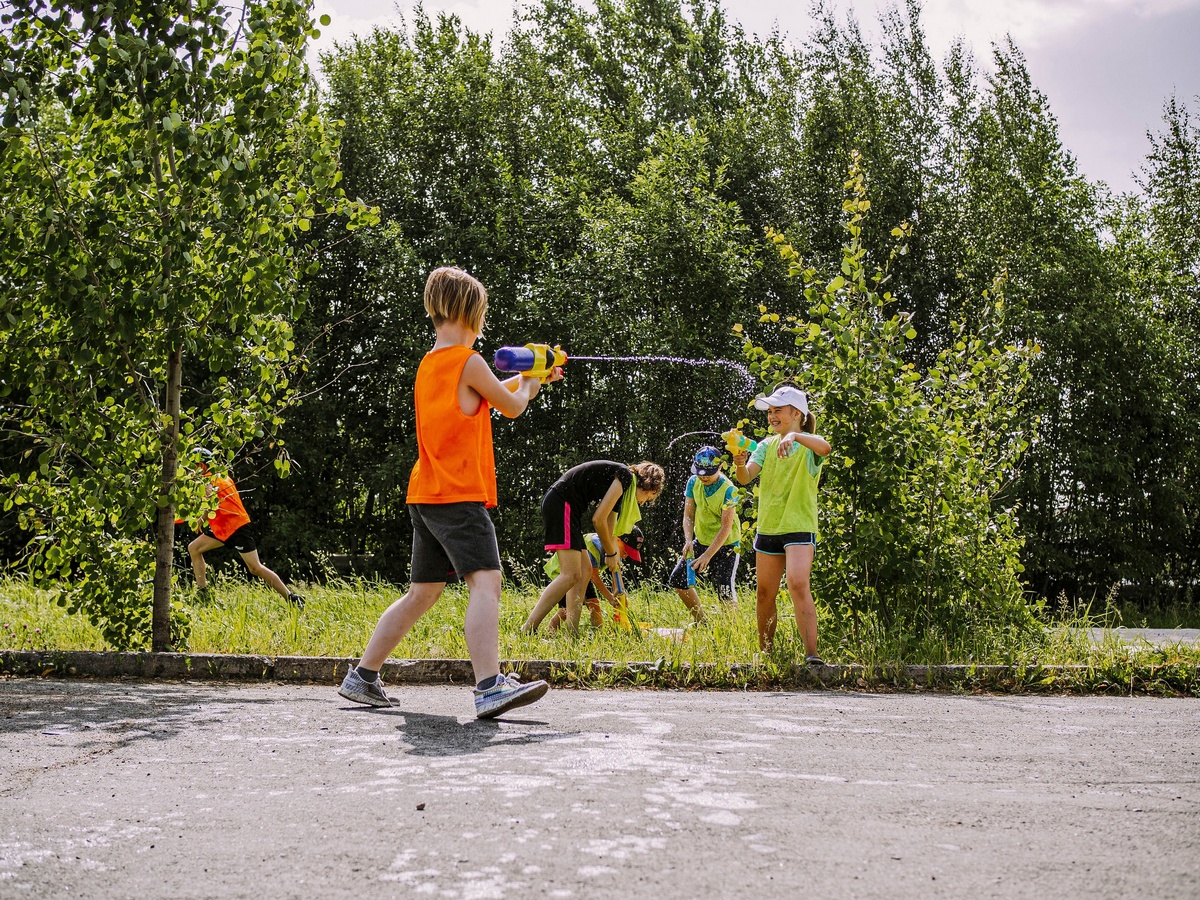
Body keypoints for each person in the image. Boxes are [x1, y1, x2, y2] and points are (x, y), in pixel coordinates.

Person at [338, 266, 561, 718]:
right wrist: (536, 378)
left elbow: (487, 395)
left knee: (422, 592)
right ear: (471, 313)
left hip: (426, 492)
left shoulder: (431, 363)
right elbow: (513, 406)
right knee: (487, 582)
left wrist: (533, 375)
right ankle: (489, 686)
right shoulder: (469, 361)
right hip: (457, 494)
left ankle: (362, 676)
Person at [732, 384, 831, 663]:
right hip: (769, 528)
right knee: (764, 593)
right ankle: (766, 655)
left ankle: (812, 656)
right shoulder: (765, 445)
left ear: (797, 413)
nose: (771, 416)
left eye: (778, 410)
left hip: (799, 526)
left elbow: (825, 447)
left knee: (798, 584)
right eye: (770, 411)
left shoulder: (808, 442)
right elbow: (745, 477)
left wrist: (796, 436)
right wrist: (740, 463)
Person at [522, 460, 665, 634]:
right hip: (561, 503)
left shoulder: (622, 491)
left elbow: (610, 530)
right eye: (648, 497)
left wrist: (615, 567)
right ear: (648, 485)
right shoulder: (626, 477)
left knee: (584, 570)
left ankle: (571, 633)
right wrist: (611, 553)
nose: (643, 503)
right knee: (570, 575)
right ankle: (528, 629)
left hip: (569, 509)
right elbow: (598, 520)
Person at [183, 450, 305, 609]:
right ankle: (203, 592)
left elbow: (211, 502)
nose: (191, 471)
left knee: (255, 568)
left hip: (237, 527)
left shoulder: (209, 480)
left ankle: (292, 598)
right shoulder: (223, 477)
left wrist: (200, 520)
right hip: (224, 528)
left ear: (202, 465)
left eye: (193, 467)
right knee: (194, 548)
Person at [667, 446, 742, 623]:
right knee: (678, 578)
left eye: (708, 472)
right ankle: (702, 622)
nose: (704, 476)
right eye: (700, 472)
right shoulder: (693, 482)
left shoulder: (730, 490)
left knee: (724, 587)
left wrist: (707, 556)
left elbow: (725, 528)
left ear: (720, 467)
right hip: (701, 539)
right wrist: (688, 540)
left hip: (728, 544)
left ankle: (733, 628)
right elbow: (688, 515)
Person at [544, 527, 644, 633]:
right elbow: (594, 576)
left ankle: (598, 633)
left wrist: (620, 596)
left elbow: (617, 576)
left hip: (582, 573)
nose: (626, 555)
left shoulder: (615, 551)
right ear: (618, 541)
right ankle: (550, 630)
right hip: (566, 571)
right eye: (626, 550)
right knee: (566, 610)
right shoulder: (594, 545)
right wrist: (610, 598)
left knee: (593, 604)